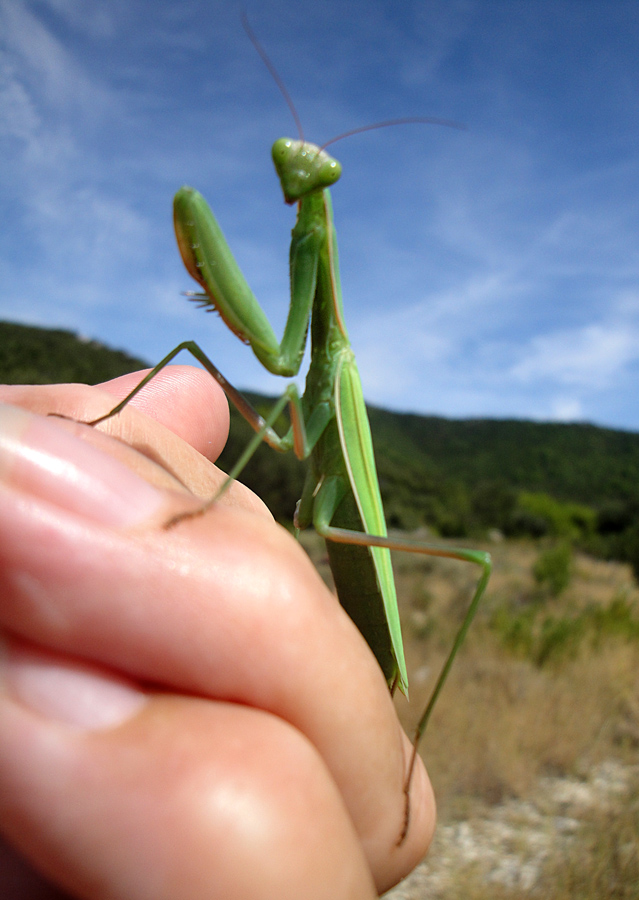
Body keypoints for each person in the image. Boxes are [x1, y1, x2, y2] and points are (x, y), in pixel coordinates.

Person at [0, 367, 435, 899]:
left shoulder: (334, 368)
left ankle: (416, 750)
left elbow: (285, 393)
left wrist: (208, 506)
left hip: (360, 562)